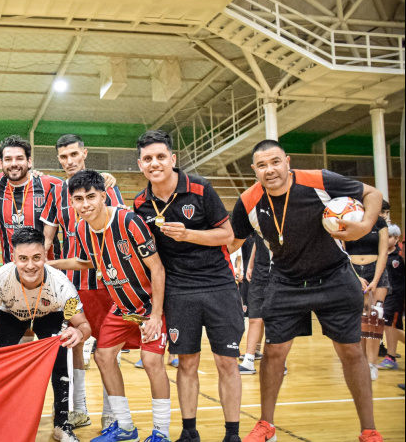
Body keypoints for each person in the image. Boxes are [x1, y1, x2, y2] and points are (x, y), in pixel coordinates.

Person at [230, 139, 384, 442]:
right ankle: (266, 426)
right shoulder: (248, 200)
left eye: (275, 162)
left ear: (287, 161)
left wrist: (365, 225)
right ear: (254, 170)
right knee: (274, 353)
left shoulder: (319, 180)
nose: (270, 170)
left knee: (352, 352)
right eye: (262, 165)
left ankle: (369, 430)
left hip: (335, 277)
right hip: (285, 282)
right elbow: (230, 240)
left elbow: (373, 193)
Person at [133, 130, 243, 442]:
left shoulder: (200, 188)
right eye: (148, 159)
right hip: (178, 290)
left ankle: (232, 434)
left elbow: (227, 236)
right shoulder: (141, 203)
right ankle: (189, 432)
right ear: (140, 164)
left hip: (218, 283)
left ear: (172, 159)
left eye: (160, 157)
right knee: (187, 363)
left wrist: (188, 234)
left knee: (226, 362)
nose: (155, 163)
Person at [50, 170, 171, 442]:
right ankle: (125, 427)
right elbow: (88, 262)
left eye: (91, 197)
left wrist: (155, 315)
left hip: (148, 304)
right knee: (103, 357)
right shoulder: (82, 228)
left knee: (152, 362)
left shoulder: (128, 221)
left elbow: (158, 269)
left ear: (103, 196)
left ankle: (161, 433)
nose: (85, 204)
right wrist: (52, 264)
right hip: (121, 308)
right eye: (78, 199)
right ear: (72, 202)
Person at [40, 134, 125, 428]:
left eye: (74, 154)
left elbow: (121, 229)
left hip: (106, 282)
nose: (69, 161)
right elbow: (48, 237)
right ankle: (79, 408)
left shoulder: (107, 188)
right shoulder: (56, 193)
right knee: (74, 345)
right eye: (63, 157)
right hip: (71, 284)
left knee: (107, 348)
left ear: (85, 153)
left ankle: (111, 412)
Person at [0, 227, 90, 442]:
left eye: (36, 258)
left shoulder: (62, 285)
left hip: (49, 314)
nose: (30, 265)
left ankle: (62, 424)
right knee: (0, 358)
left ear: (45, 256)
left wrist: (77, 332)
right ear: (13, 257)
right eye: (23, 258)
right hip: (10, 315)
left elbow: (84, 324)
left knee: (61, 355)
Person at [0, 135, 63, 264]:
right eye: (8, 159)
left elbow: (84, 186)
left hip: (49, 267)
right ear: (1, 163)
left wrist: (106, 178)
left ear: (29, 161)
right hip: (11, 268)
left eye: (19, 158)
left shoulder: (50, 185)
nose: (14, 164)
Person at [345, 199, 391, 381]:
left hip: (376, 271)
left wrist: (376, 279)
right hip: (354, 271)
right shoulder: (349, 220)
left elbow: (383, 252)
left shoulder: (379, 223)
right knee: (360, 320)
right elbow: (342, 251)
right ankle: (361, 363)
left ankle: (372, 364)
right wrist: (355, 277)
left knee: (375, 318)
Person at [238, 233, 270, 375]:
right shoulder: (260, 216)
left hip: (279, 272)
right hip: (259, 272)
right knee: (254, 317)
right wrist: (250, 265)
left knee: (274, 319)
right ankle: (249, 360)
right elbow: (257, 241)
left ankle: (279, 362)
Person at [378, 224, 404, 371]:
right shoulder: (380, 254)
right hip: (383, 296)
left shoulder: (400, 256)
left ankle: (391, 357)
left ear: (396, 239)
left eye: (389, 237)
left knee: (390, 325)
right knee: (385, 326)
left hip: (396, 296)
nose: (385, 239)